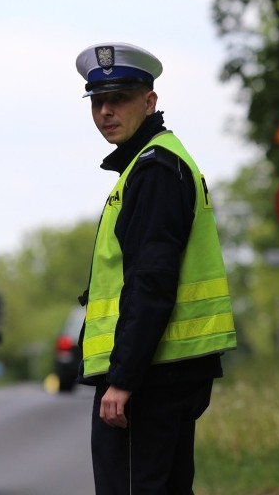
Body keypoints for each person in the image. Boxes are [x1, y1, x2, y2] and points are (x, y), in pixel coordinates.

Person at [74, 42, 237, 495]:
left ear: (150, 102)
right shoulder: (154, 164)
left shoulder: (155, 169)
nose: (106, 111)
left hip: (151, 378)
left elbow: (151, 282)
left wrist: (123, 380)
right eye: (98, 102)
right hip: (165, 372)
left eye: (120, 99)